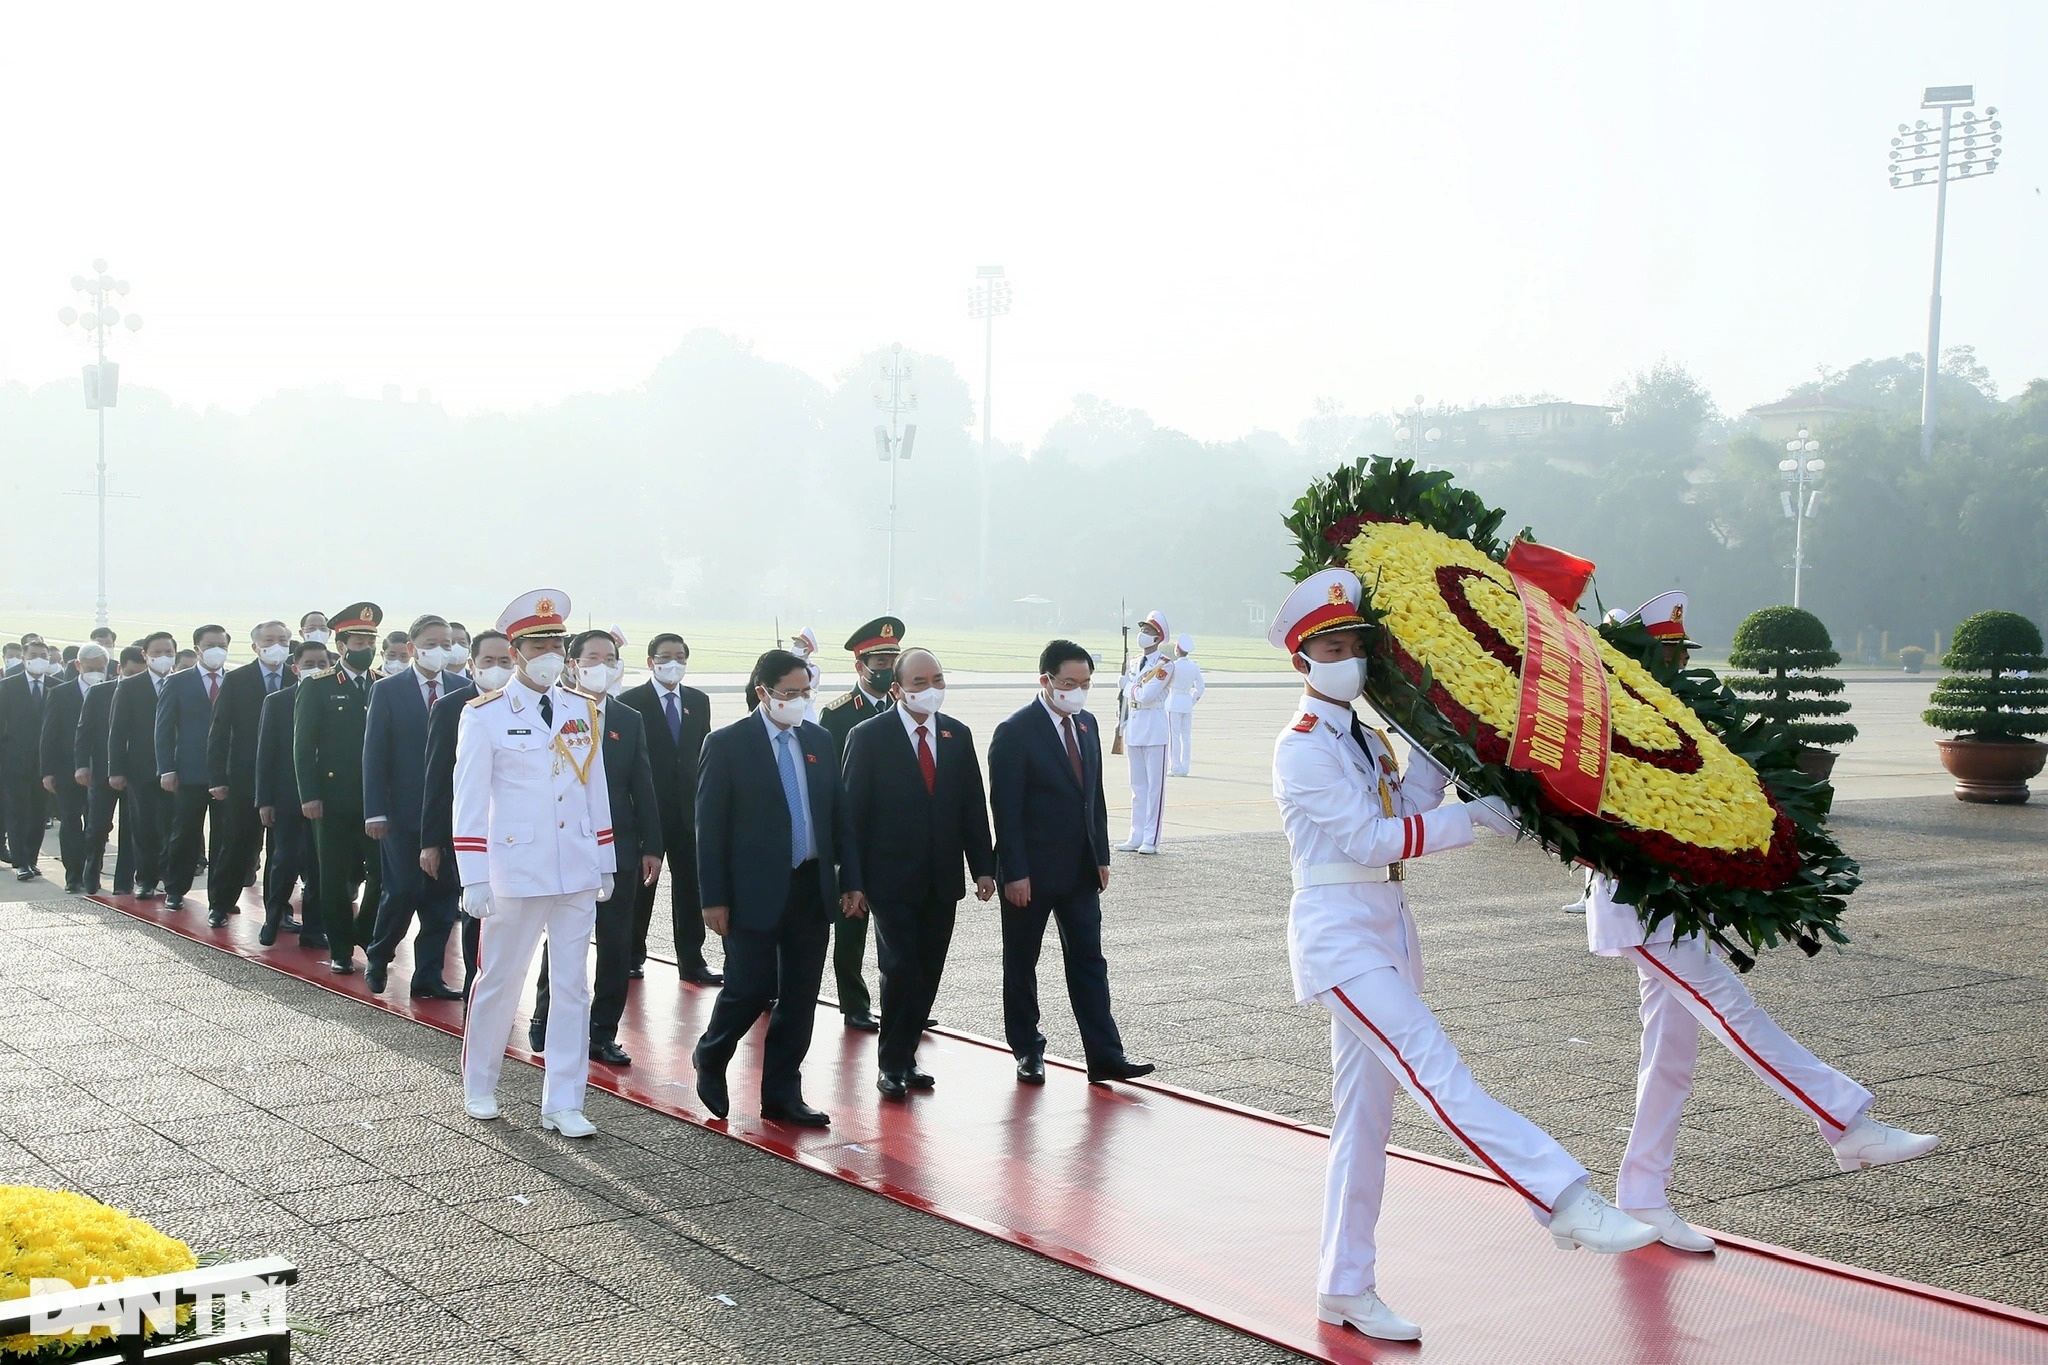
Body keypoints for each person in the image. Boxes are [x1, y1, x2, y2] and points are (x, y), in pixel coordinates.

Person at [1268, 568, 1657, 1343]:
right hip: (1340, 938)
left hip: (1384, 925)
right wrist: (1475, 818)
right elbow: (1368, 839)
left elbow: (1407, 809)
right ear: (1301, 661)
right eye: (1332, 646)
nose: (1349, 657)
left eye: (1355, 645)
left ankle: (1344, 1285)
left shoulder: (1367, 738)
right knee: (1436, 1068)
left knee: (1363, 1121)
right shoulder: (1302, 747)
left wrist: (1441, 745)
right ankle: (1562, 1196)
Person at [1581, 591, 1939, 1253]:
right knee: (1733, 1010)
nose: (1680, 664)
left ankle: (1643, 1194)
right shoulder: (1616, 723)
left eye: (1682, 653)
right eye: (1667, 654)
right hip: (1642, 910)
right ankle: (1846, 1124)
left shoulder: (1676, 718)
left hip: (1678, 908)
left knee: (1670, 1059)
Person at [454, 589, 612, 1137]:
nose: (551, 652)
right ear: (516, 651)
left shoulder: (581, 709)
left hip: (575, 867)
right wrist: (473, 874)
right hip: (514, 871)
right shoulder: (485, 715)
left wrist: (605, 859)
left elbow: (595, 789)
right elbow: (469, 800)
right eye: (540, 644)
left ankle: (563, 1100)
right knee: (500, 979)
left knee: (573, 987)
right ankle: (480, 1084)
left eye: (557, 643)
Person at [693, 648, 864, 1128]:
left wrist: (850, 880)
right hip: (752, 890)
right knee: (749, 987)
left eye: (806, 692)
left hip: (811, 885)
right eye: (789, 693)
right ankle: (711, 1054)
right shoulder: (727, 743)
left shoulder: (819, 739)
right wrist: (713, 897)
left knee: (800, 995)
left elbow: (838, 817)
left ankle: (782, 1094)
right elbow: (709, 827)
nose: (799, 701)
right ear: (763, 692)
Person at [987, 639, 1154, 1087]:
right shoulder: (1015, 731)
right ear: (1045, 681)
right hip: (1031, 873)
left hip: (1079, 870)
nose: (1077, 692)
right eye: (1068, 683)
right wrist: (1016, 872)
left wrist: (1100, 854)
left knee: (1088, 961)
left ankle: (1105, 1055)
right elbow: (1005, 808)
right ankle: (1027, 1048)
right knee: (1022, 963)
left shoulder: (1087, 725)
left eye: (1085, 684)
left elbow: (1092, 797)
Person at [843, 647, 995, 1098]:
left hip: (942, 878)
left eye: (938, 680)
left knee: (928, 969)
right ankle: (891, 1064)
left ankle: (907, 1056)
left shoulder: (957, 735)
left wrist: (983, 867)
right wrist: (851, 881)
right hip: (889, 879)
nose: (931, 690)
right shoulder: (868, 736)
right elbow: (852, 814)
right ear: (897, 689)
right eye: (919, 683)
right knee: (899, 967)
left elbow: (972, 806)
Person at [530, 630, 662, 1065]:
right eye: (592, 658)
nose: (601, 666)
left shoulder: (628, 718)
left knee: (616, 942)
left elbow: (643, 784)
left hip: (619, 848)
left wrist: (652, 845)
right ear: (572, 664)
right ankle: (545, 1018)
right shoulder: (551, 711)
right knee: (564, 936)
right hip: (565, 844)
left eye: (610, 658)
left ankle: (602, 1031)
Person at [361, 614, 463, 998]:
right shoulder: (388, 690)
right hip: (401, 812)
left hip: (447, 813)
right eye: (432, 643)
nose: (441, 650)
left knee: (442, 898)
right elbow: (374, 754)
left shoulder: (462, 688)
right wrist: (375, 810)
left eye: (447, 642)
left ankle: (428, 976)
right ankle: (379, 952)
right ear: (412, 648)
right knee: (402, 889)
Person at [618, 631, 719, 985]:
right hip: (648, 809)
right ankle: (631, 955)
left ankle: (691, 960)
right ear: (650, 662)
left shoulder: (698, 700)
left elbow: (702, 753)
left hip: (690, 810)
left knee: (691, 887)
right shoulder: (631, 702)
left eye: (679, 656)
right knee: (642, 886)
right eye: (664, 657)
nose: (672, 663)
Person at [818, 615, 903, 1031]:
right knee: (852, 926)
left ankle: (904, 1004)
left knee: (902, 932)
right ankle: (854, 1003)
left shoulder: (906, 708)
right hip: (854, 837)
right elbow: (828, 781)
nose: (886, 667)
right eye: (879, 660)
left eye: (892, 658)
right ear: (860, 666)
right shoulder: (836, 715)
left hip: (896, 839)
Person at [294, 602, 385, 972]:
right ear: (342, 643)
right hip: (331, 799)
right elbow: (303, 745)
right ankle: (341, 949)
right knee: (333, 876)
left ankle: (363, 932)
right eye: (359, 640)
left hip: (375, 799)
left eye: (370, 639)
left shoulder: (382, 684)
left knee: (382, 874)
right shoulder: (320, 686)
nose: (366, 646)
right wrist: (309, 794)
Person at [422, 630, 511, 994]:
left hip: (517, 836)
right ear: (472, 664)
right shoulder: (452, 708)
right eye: (488, 661)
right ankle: (476, 1001)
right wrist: (431, 841)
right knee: (478, 919)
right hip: (471, 833)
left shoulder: (536, 705)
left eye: (505, 661)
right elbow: (437, 778)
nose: (496, 669)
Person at [207, 620, 292, 919]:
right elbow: (219, 731)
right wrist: (217, 777)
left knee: (282, 849)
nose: (276, 645)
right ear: (255, 646)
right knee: (236, 844)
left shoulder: (298, 677)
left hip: (285, 777)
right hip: (244, 777)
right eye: (269, 640)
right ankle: (220, 903)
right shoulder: (238, 679)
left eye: (282, 639)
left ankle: (278, 908)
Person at [254, 639, 326, 945]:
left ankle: (313, 928)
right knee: (285, 859)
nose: (316, 669)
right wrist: (264, 799)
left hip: (326, 797)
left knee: (319, 865)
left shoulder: (337, 699)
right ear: (295, 668)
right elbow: (265, 754)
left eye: (322, 664)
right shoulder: (278, 701)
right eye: (309, 664)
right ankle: (274, 916)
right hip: (286, 795)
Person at [157, 624, 231, 913]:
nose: (217, 650)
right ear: (198, 648)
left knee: (225, 838)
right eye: (211, 645)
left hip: (226, 772)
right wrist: (167, 768)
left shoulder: (234, 680)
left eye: (222, 645)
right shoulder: (178, 682)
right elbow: (163, 729)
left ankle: (220, 897)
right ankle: (175, 888)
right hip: (189, 771)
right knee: (185, 833)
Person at [107, 632, 177, 897]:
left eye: (168, 652)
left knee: (174, 828)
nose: (163, 658)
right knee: (144, 826)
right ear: (145, 655)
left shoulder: (183, 683)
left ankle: (172, 882)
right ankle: (145, 879)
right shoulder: (129, 686)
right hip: (142, 769)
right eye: (156, 653)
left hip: (177, 768)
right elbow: (118, 732)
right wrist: (116, 769)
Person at [40, 644, 108, 892]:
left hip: (102, 770)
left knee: (98, 825)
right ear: (78, 666)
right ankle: (73, 874)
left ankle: (93, 869)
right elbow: (49, 735)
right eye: (90, 668)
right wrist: (47, 771)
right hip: (67, 769)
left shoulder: (111, 690)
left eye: (100, 668)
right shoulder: (60, 694)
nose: (95, 673)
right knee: (70, 821)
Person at [77, 646, 144, 895]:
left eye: (140, 674)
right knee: (97, 826)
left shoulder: (148, 693)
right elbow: (83, 732)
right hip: (103, 771)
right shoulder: (99, 692)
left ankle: (124, 882)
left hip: (136, 773)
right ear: (119, 669)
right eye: (130, 673)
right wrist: (82, 765)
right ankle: (91, 870)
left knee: (132, 829)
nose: (135, 678)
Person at [1115, 610, 1174, 854]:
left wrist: (1127, 686)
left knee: (1154, 789)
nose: (1142, 635)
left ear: (1158, 638)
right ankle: (1135, 834)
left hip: (1154, 727)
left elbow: (1147, 695)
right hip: (1135, 727)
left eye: (1148, 632)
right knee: (1137, 787)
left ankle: (1151, 838)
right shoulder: (1134, 663)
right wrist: (1121, 722)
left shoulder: (1164, 665)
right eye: (1142, 630)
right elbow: (1130, 699)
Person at [0, 639, 54, 881]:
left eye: (44, 655)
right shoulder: (7, 687)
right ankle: (21, 862)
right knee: (17, 811)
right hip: (14, 762)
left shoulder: (56, 687)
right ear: (24, 657)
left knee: (39, 814)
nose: (39, 659)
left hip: (46, 764)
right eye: (34, 654)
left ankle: (32, 859)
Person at [1166, 633, 1205, 777]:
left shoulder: (1173, 666)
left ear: (1177, 649)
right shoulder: (1194, 666)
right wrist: (1192, 700)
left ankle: (1175, 766)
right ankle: (1185, 767)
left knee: (1174, 736)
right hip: (1187, 701)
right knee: (1186, 737)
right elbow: (1200, 687)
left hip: (1174, 701)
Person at [789, 626, 822, 723]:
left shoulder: (813, 670)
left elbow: (797, 689)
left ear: (806, 650)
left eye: (797, 645)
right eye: (794, 644)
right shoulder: (789, 665)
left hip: (805, 715)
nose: (794, 647)